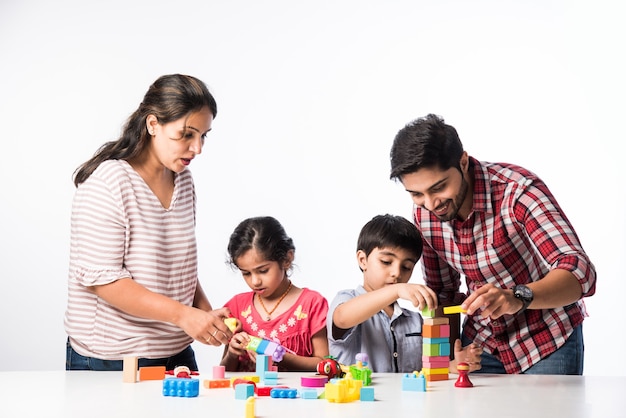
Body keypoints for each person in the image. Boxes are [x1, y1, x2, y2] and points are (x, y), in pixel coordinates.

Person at [389, 114, 597, 375]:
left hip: (546, 337)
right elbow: (443, 295)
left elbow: (580, 273)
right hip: (481, 344)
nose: (431, 204)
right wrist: (446, 361)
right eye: (417, 194)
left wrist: (516, 297)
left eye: (439, 187)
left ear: (463, 162)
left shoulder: (518, 191)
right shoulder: (424, 215)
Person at [64, 74, 233, 371]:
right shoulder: (108, 183)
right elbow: (105, 281)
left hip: (177, 353)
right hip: (113, 358)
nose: (198, 148)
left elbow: (178, 269)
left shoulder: (183, 180)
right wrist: (184, 316)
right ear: (153, 124)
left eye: (203, 136)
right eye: (187, 135)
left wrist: (207, 316)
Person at [327, 214, 482, 373]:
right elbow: (342, 318)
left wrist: (453, 365)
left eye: (406, 267)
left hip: (406, 398)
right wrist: (396, 290)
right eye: (386, 262)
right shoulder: (346, 300)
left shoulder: (415, 321)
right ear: (362, 260)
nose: (396, 273)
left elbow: (426, 369)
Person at [221, 216, 329, 372]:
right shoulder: (236, 307)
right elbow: (224, 372)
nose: (255, 281)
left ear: (287, 259)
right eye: (246, 273)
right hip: (247, 395)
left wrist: (279, 356)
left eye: (263, 271)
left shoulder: (312, 304)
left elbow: (324, 365)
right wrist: (232, 353)